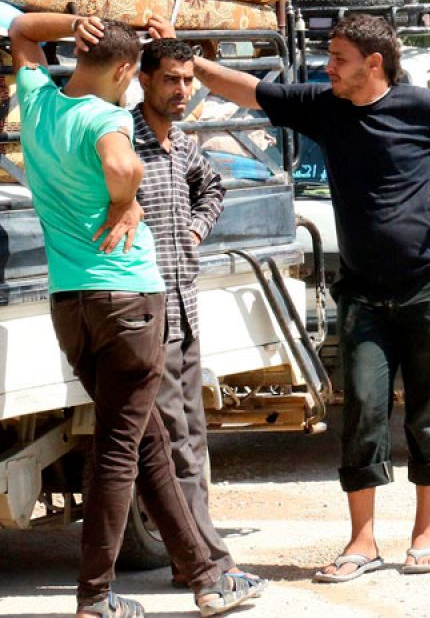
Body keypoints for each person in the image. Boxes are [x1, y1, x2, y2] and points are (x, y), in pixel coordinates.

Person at [190, 14, 430, 582]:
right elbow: (251, 90)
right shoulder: (325, 106)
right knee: (363, 409)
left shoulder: (419, 106)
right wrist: (188, 61)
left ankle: (424, 535)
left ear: (373, 64)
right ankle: (361, 542)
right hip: (363, 292)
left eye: (338, 58)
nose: (327, 67)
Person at [5, 6, 262, 617]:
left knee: (146, 444)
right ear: (126, 69)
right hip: (129, 300)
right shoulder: (104, 116)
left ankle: (205, 577)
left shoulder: (39, 102)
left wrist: (67, 25)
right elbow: (125, 165)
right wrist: (125, 202)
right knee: (119, 450)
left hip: (73, 302)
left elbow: (19, 32)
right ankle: (95, 598)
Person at [128, 36, 267, 592]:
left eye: (188, 80)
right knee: (167, 443)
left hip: (184, 309)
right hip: (143, 310)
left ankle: (196, 556)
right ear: (143, 80)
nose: (182, 90)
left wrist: (193, 229)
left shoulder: (183, 146)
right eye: (171, 79)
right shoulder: (125, 142)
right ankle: (202, 559)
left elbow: (212, 189)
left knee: (191, 439)